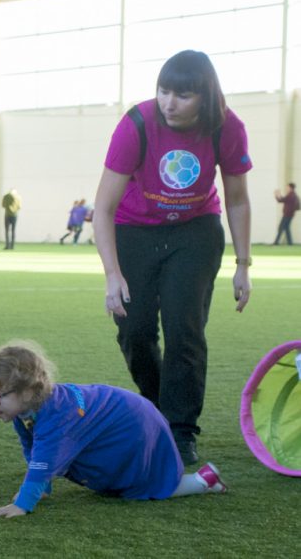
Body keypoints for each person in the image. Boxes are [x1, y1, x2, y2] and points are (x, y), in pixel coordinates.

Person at [92, 50, 252, 465]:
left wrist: (243, 265)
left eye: (182, 95)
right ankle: (159, 408)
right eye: (164, 91)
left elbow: (237, 200)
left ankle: (181, 431)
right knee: (134, 330)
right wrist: (112, 275)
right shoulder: (137, 124)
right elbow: (104, 208)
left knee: (185, 329)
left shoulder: (227, 128)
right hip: (134, 230)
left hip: (195, 232)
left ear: (206, 97)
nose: (169, 103)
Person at [0, 341, 228, 519]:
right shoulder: (28, 407)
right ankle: (201, 481)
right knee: (114, 480)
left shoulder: (56, 417)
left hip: (135, 426)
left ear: (29, 391)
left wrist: (23, 504)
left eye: (0, 396)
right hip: (128, 416)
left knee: (142, 487)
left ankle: (202, 480)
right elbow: (32, 447)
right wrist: (42, 489)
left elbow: (43, 462)